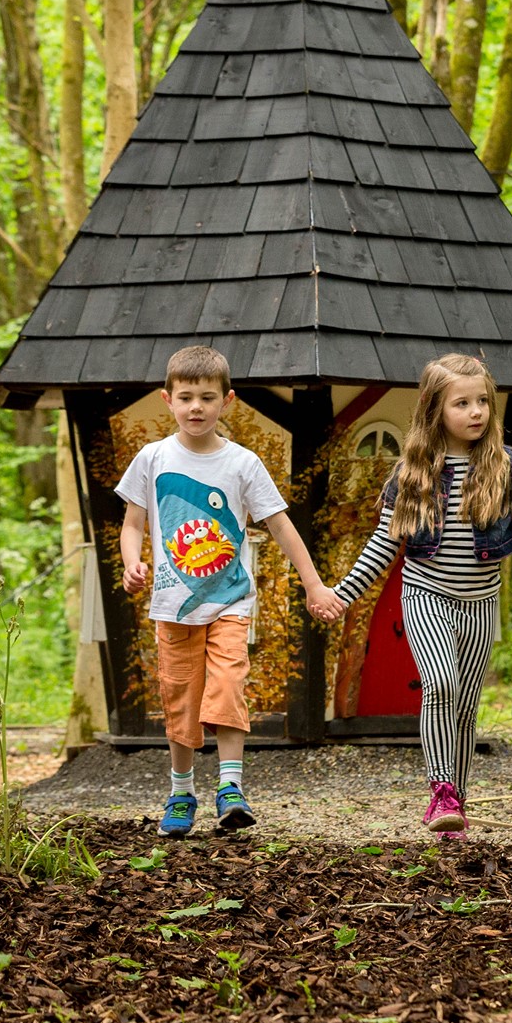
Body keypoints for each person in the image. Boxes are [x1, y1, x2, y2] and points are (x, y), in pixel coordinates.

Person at [311, 354, 512, 838]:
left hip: (480, 602)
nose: (476, 412)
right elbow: (382, 547)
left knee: (465, 706)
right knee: (440, 686)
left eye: (482, 402)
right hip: (426, 595)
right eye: (462, 403)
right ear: (435, 409)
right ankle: (441, 791)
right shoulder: (414, 473)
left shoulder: (505, 464)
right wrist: (343, 594)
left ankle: (456, 803)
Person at [118, 345, 339, 837]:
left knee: (227, 686)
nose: (196, 407)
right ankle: (181, 793)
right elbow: (132, 524)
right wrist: (132, 561)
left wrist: (314, 584)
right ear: (167, 400)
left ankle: (231, 788)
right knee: (180, 699)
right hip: (173, 607)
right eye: (186, 397)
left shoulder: (242, 464)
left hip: (230, 602)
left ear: (228, 401)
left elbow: (280, 526)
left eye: (207, 397)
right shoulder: (152, 459)